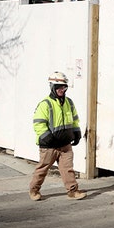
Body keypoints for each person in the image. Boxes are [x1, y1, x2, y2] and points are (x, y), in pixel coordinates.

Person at [29, 71, 86, 201]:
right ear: (52, 87)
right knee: (42, 169)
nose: (62, 90)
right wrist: (47, 137)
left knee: (68, 169)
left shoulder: (69, 103)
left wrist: (76, 133)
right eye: (59, 87)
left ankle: (73, 191)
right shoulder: (45, 104)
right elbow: (38, 123)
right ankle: (34, 190)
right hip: (49, 146)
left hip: (65, 144)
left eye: (64, 87)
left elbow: (75, 120)